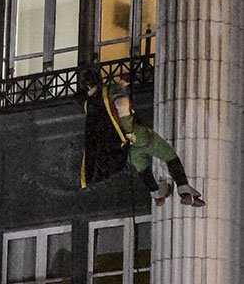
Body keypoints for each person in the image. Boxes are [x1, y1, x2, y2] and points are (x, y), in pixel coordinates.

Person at [80, 67, 205, 207]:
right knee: (169, 155)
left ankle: (157, 195)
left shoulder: (89, 105)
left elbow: (95, 136)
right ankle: (184, 190)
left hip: (124, 148)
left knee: (143, 167)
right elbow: (122, 105)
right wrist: (123, 90)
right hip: (136, 134)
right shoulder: (108, 91)